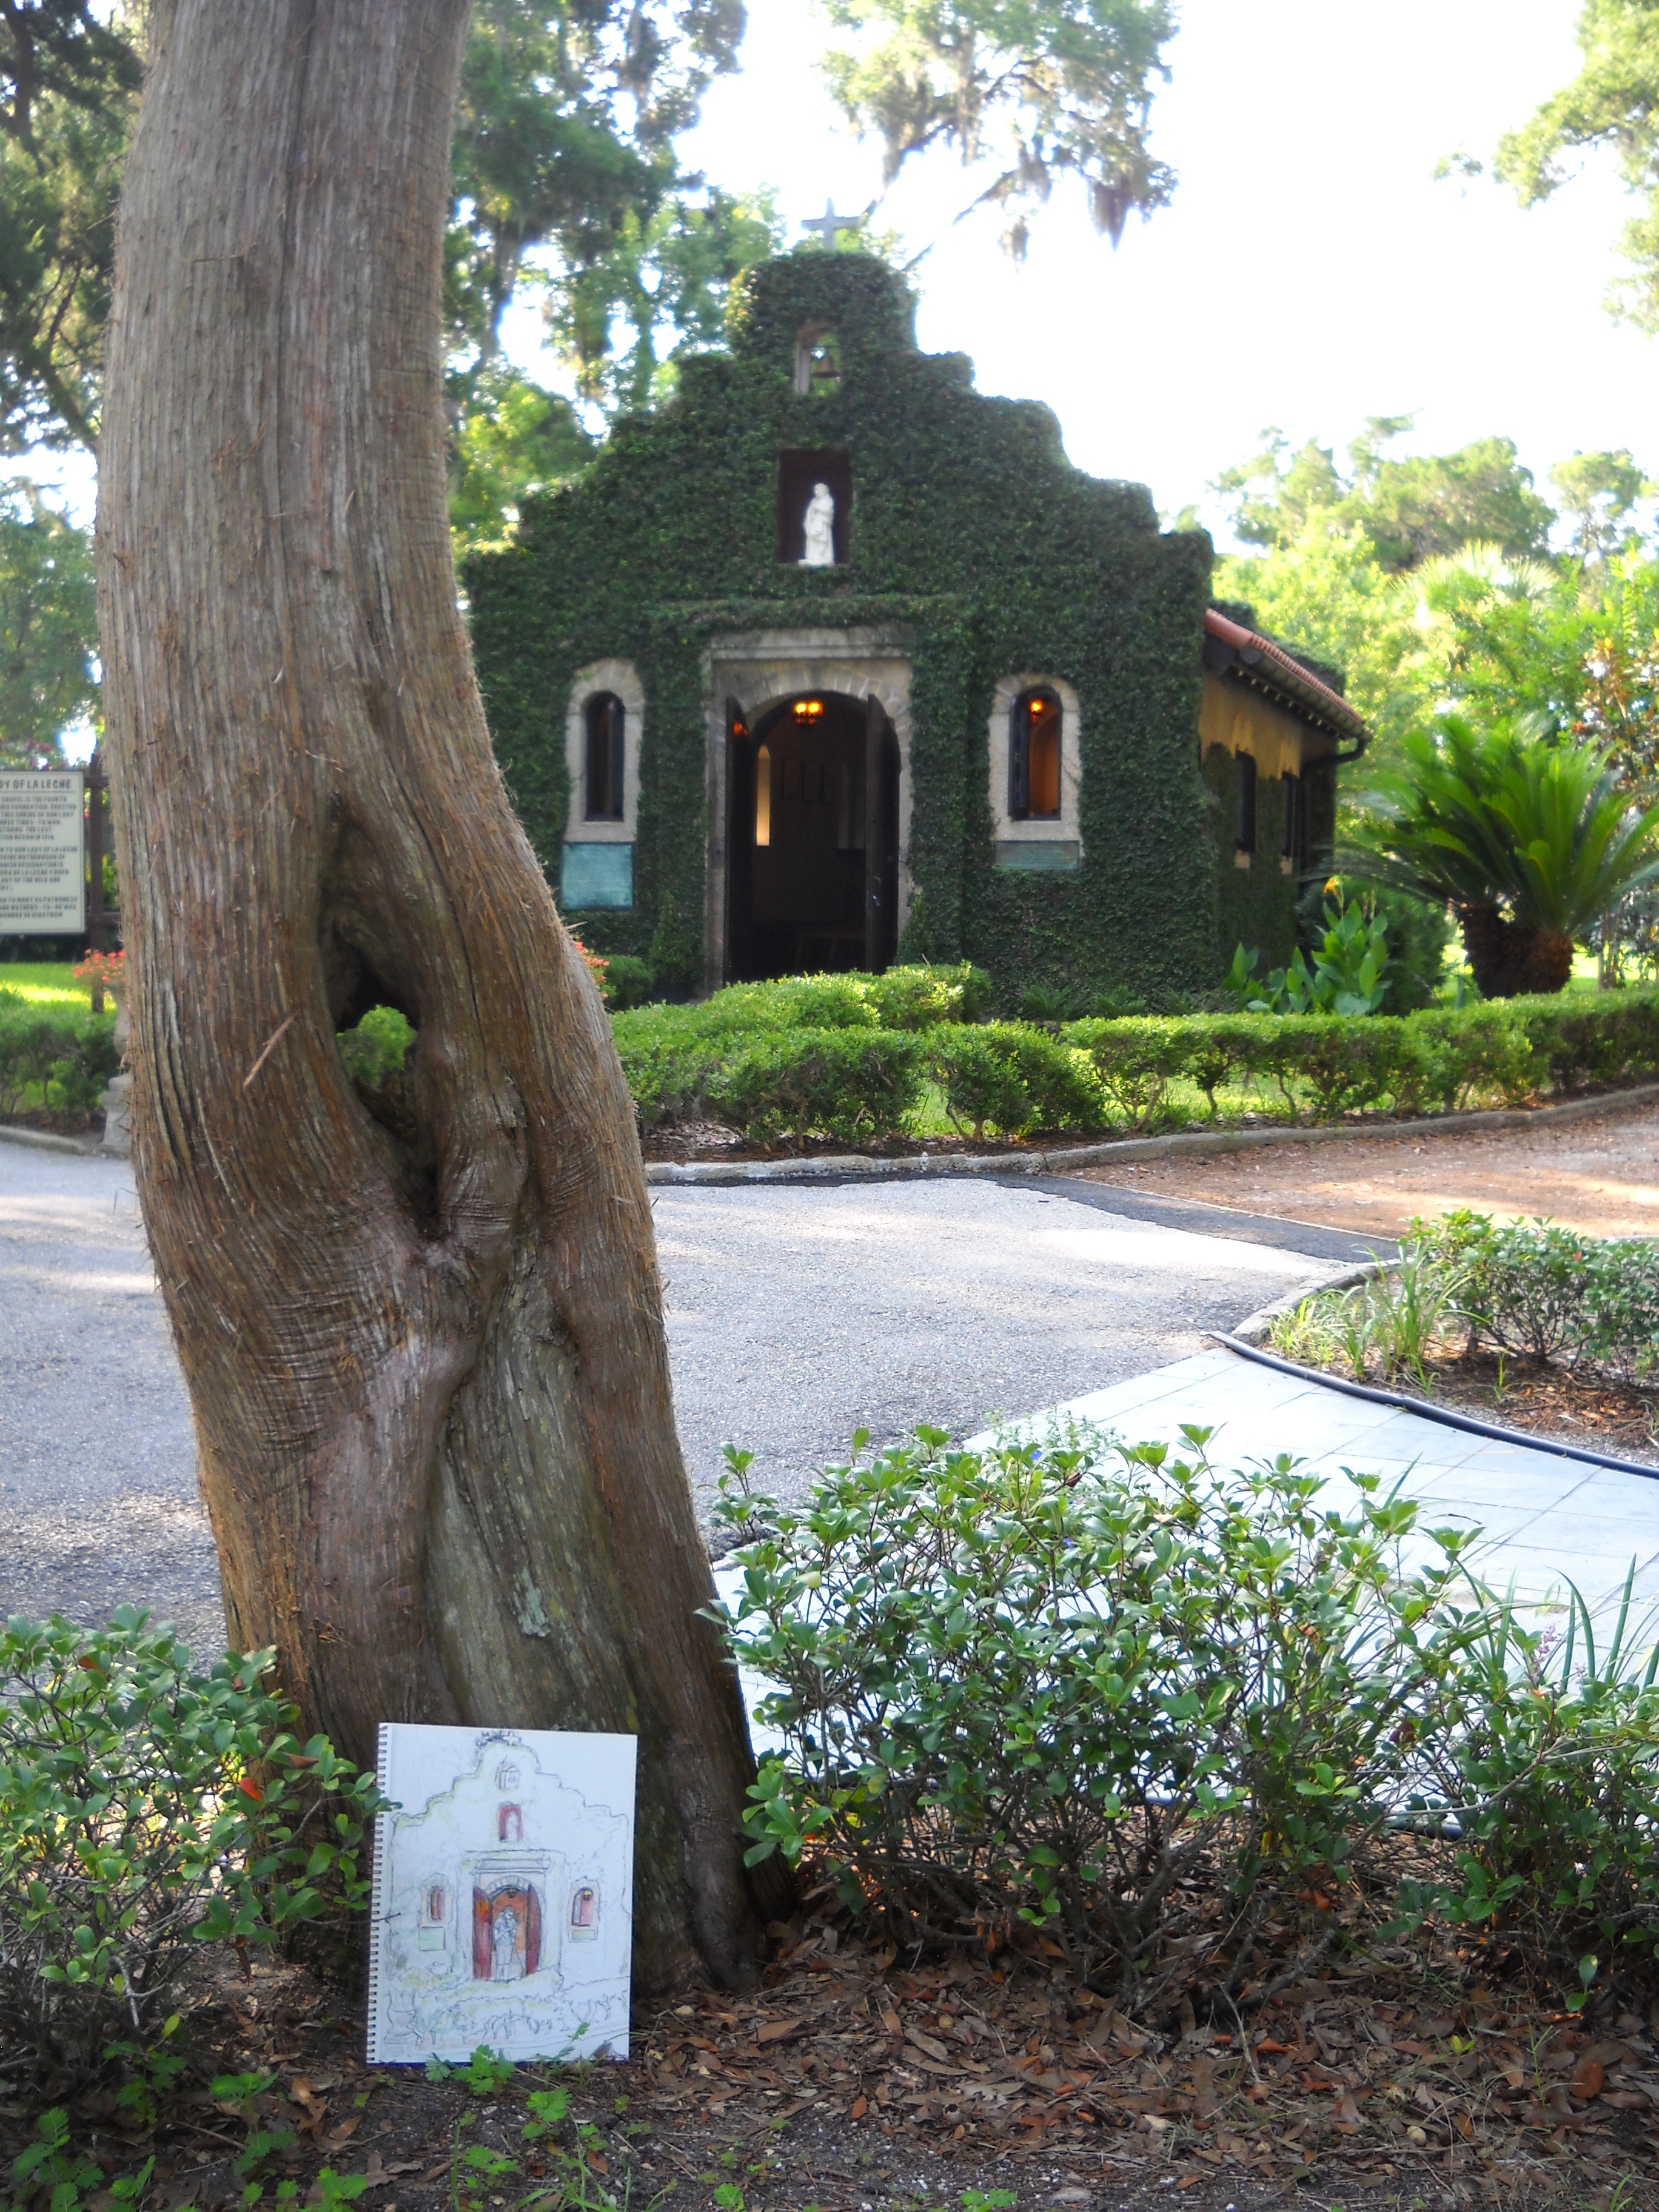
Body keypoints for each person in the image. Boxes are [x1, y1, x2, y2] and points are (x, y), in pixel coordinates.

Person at [801, 481, 836, 566]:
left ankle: (823, 555)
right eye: (815, 490)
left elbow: (828, 511)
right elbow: (810, 512)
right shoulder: (814, 501)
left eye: (818, 490)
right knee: (813, 539)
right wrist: (811, 515)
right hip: (814, 524)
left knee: (823, 540)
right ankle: (813, 556)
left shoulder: (828, 499)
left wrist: (818, 509)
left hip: (823, 524)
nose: (816, 492)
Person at [491, 1902, 524, 1981]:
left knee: (507, 1963)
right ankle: (497, 1980)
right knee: (500, 1964)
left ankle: (506, 1980)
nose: (510, 1917)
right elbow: (496, 1937)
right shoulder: (499, 1922)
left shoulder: (512, 1921)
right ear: (505, 1913)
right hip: (501, 1945)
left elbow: (513, 1932)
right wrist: (505, 1930)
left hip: (509, 1945)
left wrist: (513, 1939)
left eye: (511, 1915)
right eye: (509, 1915)